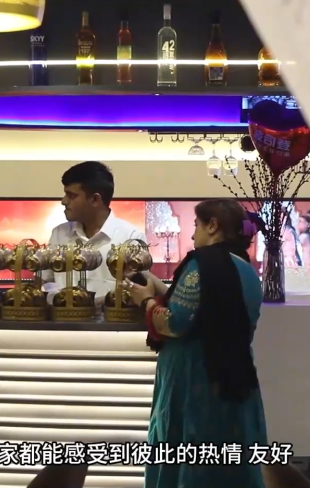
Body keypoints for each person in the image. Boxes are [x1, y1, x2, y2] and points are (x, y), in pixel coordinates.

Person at [125, 198, 268, 488]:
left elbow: (176, 322)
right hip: (234, 376)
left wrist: (147, 300)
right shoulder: (246, 269)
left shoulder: (202, 263)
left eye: (196, 225)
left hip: (194, 378)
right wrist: (160, 288)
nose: (192, 235)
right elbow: (204, 308)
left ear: (212, 226)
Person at [41, 161, 147, 309]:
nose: (64, 201)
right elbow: (44, 281)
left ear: (95, 199)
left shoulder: (130, 237)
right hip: (63, 321)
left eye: (71, 195)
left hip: (111, 323)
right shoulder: (59, 234)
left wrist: (94, 304)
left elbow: (138, 292)